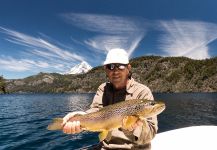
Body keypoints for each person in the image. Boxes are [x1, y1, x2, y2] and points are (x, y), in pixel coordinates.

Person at [62, 48, 158, 150]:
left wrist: (131, 129)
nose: (115, 71)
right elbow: (95, 111)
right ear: (106, 69)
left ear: (128, 68)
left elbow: (150, 135)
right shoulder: (103, 88)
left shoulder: (143, 92)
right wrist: (80, 116)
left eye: (120, 66)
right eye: (111, 66)